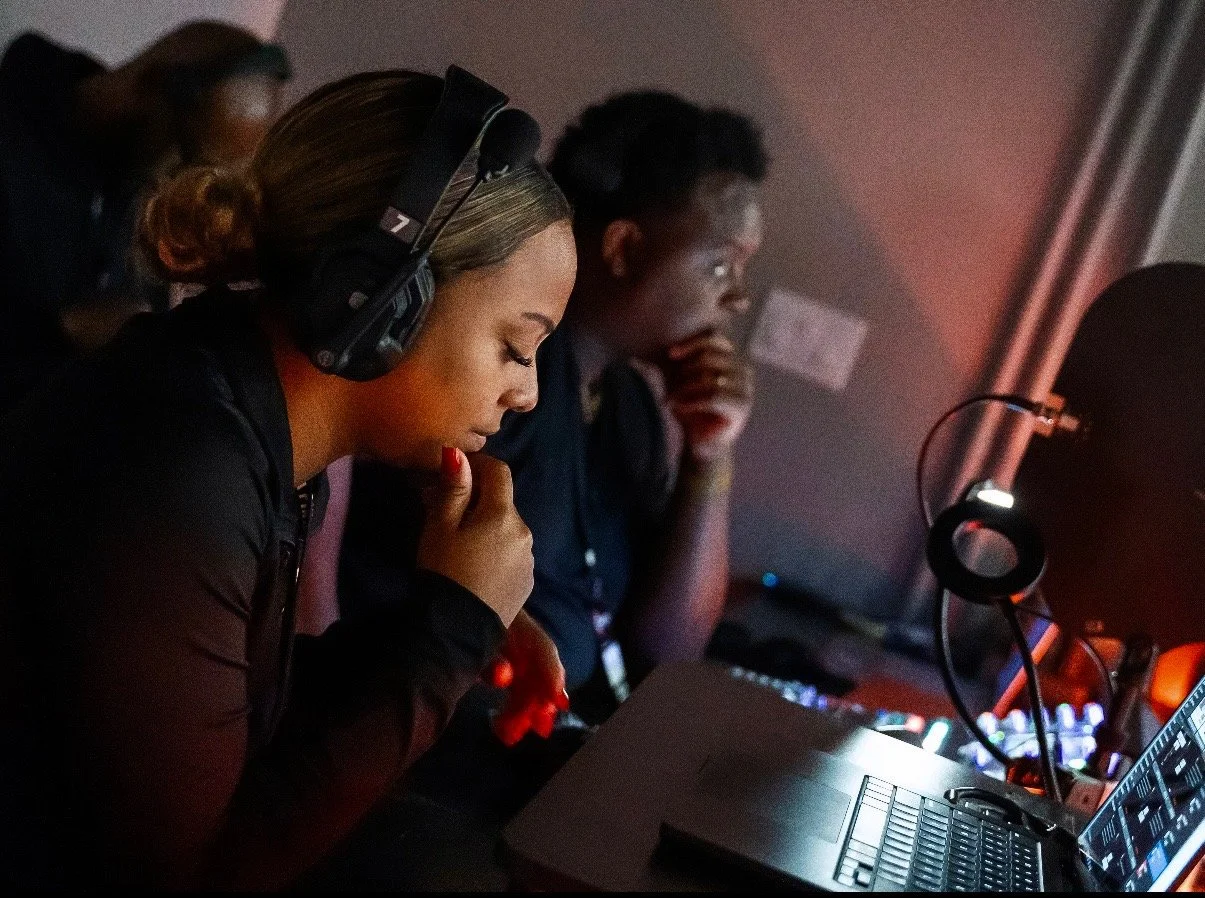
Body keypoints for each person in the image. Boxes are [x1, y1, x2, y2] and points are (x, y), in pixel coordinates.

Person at [0, 68, 576, 890]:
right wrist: (451, 626)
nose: (526, 392)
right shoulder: (174, 464)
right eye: (516, 347)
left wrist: (454, 628)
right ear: (378, 298)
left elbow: (236, 727)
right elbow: (199, 873)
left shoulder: (238, 416)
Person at [334, 89, 768, 831]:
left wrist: (710, 452)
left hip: (559, 764)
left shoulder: (627, 406)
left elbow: (668, 646)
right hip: (449, 778)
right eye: (721, 266)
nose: (734, 301)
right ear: (625, 248)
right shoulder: (491, 384)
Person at [0, 21, 291, 414]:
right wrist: (58, 333)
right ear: (152, 87)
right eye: (190, 159)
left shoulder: (138, 202)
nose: (189, 189)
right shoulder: (14, 131)